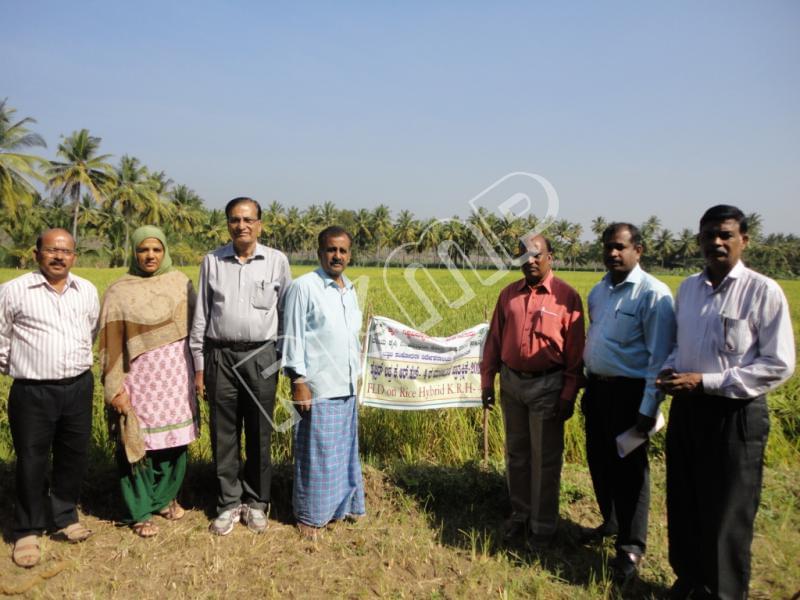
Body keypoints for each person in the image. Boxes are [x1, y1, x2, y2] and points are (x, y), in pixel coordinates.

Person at [656, 205, 795, 600]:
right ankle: (688, 581)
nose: (716, 242)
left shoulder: (761, 290)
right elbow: (680, 347)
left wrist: (707, 381)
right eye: (709, 235)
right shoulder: (688, 289)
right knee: (685, 500)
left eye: (726, 235)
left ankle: (723, 593)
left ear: (743, 240)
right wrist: (670, 371)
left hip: (735, 414)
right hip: (688, 408)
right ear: (698, 240)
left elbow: (778, 364)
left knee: (727, 512)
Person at [190, 197, 291, 535]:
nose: (242, 225)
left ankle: (258, 502)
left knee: (260, 432)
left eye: (248, 219)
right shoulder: (212, 261)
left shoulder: (276, 261)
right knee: (224, 432)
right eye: (235, 220)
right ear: (228, 225)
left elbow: (286, 316)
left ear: (260, 224)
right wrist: (200, 366)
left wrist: (280, 359)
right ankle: (228, 503)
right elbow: (201, 316)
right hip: (220, 355)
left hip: (262, 355)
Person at [581, 223, 675, 583]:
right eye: (607, 247)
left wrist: (648, 408)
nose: (612, 253)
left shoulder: (654, 294)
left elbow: (660, 358)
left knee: (631, 472)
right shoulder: (599, 291)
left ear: (639, 250)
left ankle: (631, 547)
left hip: (631, 394)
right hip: (598, 390)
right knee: (600, 461)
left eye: (620, 247)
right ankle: (611, 523)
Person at [0, 228, 99, 568]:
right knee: (32, 458)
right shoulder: (14, 291)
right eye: (51, 250)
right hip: (33, 390)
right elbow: (1, 338)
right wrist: (20, 367)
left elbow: (92, 331)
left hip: (78, 386)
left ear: (74, 255)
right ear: (36, 253)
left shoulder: (85, 290)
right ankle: (27, 528)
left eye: (66, 251)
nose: (59, 256)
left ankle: (65, 515)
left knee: (73, 454)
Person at [480, 234, 585, 548]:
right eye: (524, 256)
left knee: (546, 460)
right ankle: (520, 516)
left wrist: (568, 395)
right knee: (517, 455)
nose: (531, 261)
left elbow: (576, 354)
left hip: (548, 386)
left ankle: (543, 528)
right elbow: (494, 342)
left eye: (537, 255)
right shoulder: (508, 295)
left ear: (550, 256)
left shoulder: (567, 297)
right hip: (512, 383)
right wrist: (488, 381)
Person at [98, 226, 199, 538]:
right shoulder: (119, 291)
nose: (150, 255)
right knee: (137, 444)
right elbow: (110, 344)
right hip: (138, 381)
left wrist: (200, 373)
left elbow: (198, 331)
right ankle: (140, 510)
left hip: (176, 379)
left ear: (165, 251)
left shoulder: (181, 283)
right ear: (134, 252)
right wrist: (115, 387)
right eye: (143, 250)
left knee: (174, 443)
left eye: (156, 249)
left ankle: (166, 498)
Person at [281, 225, 365, 539]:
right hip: (317, 386)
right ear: (320, 253)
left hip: (345, 385)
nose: (337, 256)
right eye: (331, 249)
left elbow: (350, 338)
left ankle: (337, 509)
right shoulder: (304, 287)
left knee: (341, 452)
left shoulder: (350, 289)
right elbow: (292, 337)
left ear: (350, 255)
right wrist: (298, 380)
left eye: (343, 250)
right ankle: (309, 516)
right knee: (316, 453)